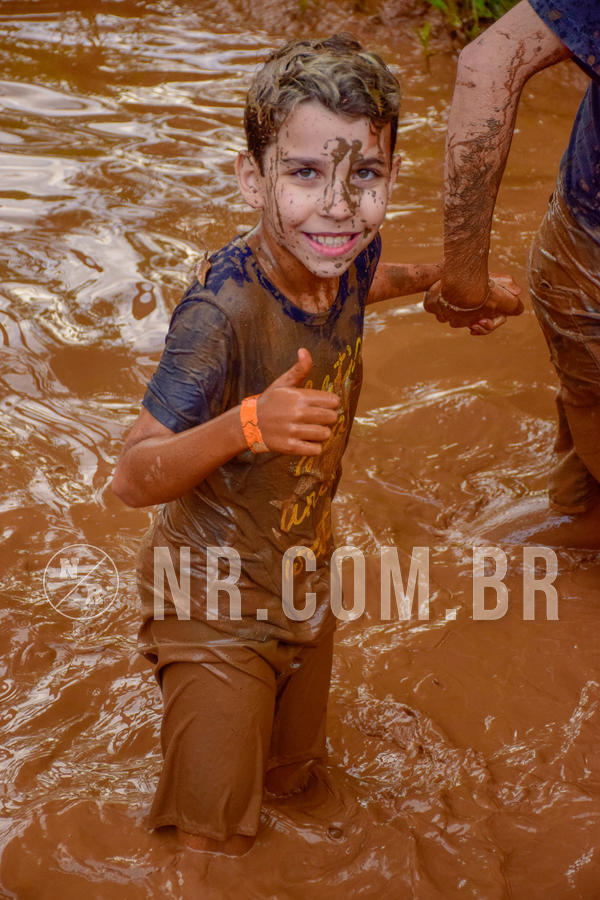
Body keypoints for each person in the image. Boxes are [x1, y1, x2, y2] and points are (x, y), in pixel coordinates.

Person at [111, 34, 442, 856]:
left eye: (364, 175)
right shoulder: (218, 313)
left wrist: (448, 285)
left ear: (391, 176)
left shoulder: (345, 256)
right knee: (211, 845)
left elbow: (368, 279)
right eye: (303, 173)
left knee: (295, 784)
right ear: (251, 179)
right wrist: (248, 425)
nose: (338, 206)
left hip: (301, 577)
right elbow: (131, 476)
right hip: (211, 596)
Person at [424, 0, 600, 515]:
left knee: (584, 494)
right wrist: (461, 284)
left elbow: (490, 60)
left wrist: (463, 284)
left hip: (578, 253)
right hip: (586, 260)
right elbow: (488, 61)